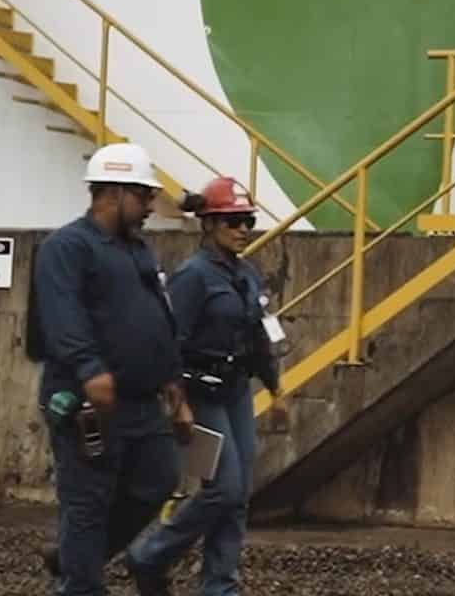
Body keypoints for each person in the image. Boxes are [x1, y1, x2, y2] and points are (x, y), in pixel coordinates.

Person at [30, 142, 194, 596]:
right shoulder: (67, 248)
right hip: (87, 401)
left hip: (141, 401)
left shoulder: (137, 251)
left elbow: (158, 319)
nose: (148, 207)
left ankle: (72, 561)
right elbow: (62, 316)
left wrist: (173, 381)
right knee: (88, 503)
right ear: (114, 192)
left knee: (159, 479)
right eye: (143, 196)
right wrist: (89, 368)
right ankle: (80, 584)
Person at [127, 176, 288, 596]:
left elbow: (259, 337)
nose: (242, 228)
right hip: (198, 396)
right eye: (232, 220)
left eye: (247, 220)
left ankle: (220, 586)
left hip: (236, 391)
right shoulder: (192, 277)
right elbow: (169, 343)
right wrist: (177, 403)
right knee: (224, 488)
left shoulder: (247, 275)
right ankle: (152, 554)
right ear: (209, 224)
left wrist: (276, 390)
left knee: (238, 496)